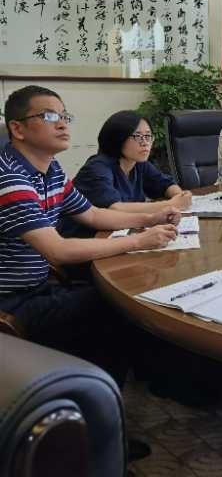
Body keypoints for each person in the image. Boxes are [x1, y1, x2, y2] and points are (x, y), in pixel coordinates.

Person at [0, 86, 179, 389]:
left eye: (65, 116)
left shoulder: (51, 170)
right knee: (117, 305)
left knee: (118, 299)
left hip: (40, 286)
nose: (62, 124)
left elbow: (93, 215)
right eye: (49, 116)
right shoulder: (10, 178)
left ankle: (132, 382)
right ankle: (99, 396)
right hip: (11, 302)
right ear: (17, 129)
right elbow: (57, 250)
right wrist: (139, 240)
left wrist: (150, 219)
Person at [62, 110, 191, 238]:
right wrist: (171, 204)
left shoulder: (138, 163)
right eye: (138, 136)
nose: (145, 142)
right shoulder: (97, 168)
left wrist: (179, 196)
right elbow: (115, 209)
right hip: (84, 239)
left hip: (119, 233)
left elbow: (165, 184)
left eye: (148, 136)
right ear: (118, 139)